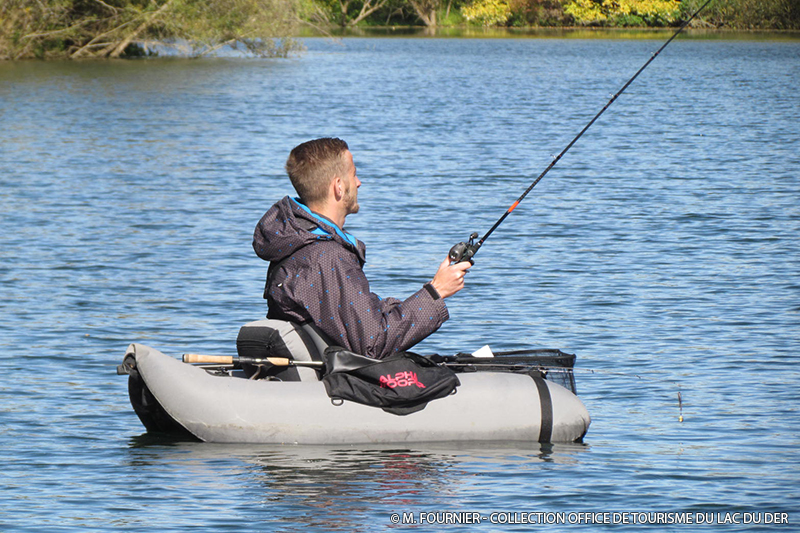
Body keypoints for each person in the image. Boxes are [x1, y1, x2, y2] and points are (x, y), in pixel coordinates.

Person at [253, 137, 472, 359]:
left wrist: (428, 293)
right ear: (339, 186)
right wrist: (437, 292)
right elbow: (374, 344)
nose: (358, 182)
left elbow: (357, 316)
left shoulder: (298, 244)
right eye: (354, 174)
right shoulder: (327, 257)